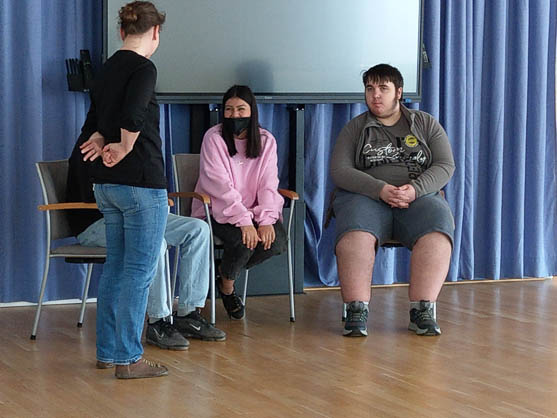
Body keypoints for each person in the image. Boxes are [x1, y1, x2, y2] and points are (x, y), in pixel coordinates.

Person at [74, 1, 170, 379]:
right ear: (155, 32)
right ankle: (129, 359)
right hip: (141, 183)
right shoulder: (144, 68)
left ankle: (108, 352)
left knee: (115, 268)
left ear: (121, 31)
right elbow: (133, 113)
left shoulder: (108, 67)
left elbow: (95, 123)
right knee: (138, 272)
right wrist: (126, 146)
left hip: (106, 184)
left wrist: (102, 140)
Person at [67, 134, 227, 351]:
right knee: (153, 242)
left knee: (198, 229)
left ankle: (188, 314)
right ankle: (158, 321)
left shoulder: (134, 144)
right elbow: (99, 195)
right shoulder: (90, 145)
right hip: (96, 222)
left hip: (139, 214)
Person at [329, 64, 455, 337]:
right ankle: (356, 309)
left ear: (398, 92)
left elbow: (445, 165)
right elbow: (340, 170)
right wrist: (379, 189)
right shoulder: (355, 128)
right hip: (366, 198)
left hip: (417, 198)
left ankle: (422, 309)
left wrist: (415, 189)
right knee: (355, 232)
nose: (375, 95)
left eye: (383, 89)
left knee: (437, 226)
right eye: (370, 89)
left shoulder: (425, 123)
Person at [192, 85, 287, 320]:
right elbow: (219, 185)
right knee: (245, 243)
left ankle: (224, 271)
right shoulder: (214, 138)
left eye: (241, 109)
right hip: (216, 210)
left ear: (252, 111)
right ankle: (227, 287)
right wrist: (243, 221)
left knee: (277, 242)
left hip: (254, 211)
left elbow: (268, 183)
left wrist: (265, 220)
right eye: (229, 109)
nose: (234, 115)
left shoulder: (266, 140)